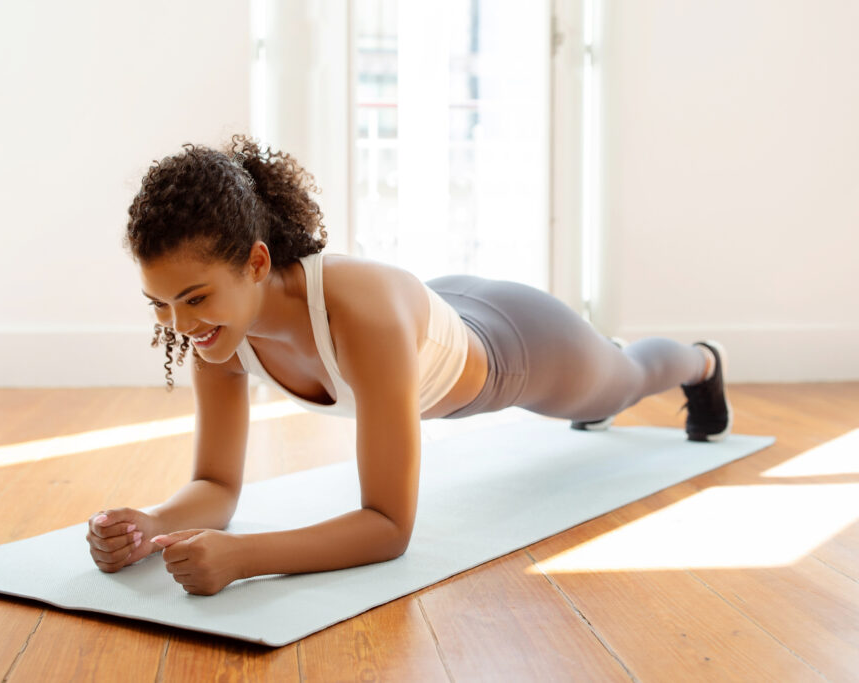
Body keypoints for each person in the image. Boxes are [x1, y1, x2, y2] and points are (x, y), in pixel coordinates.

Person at [85, 135, 732, 595]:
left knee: (621, 383)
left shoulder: (357, 315)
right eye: (160, 304)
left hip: (522, 345)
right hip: (441, 308)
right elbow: (217, 488)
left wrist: (244, 557)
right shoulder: (217, 336)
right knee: (608, 387)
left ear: (256, 263)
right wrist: (153, 524)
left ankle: (702, 361)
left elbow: (389, 525)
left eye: (194, 298)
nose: (179, 324)